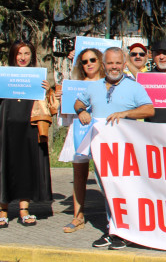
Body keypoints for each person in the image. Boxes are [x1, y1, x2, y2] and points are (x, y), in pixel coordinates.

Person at [72, 47, 154, 250]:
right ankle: (113, 229)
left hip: (126, 148)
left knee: (124, 189)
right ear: (103, 65)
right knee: (106, 189)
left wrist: (125, 113)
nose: (114, 67)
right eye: (110, 63)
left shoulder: (134, 87)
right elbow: (77, 102)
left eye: (118, 63)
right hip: (101, 149)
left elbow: (149, 109)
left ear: (124, 65)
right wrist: (81, 110)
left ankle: (127, 231)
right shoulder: (93, 87)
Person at [0, 41, 54, 229]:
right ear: (13, 55)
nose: (22, 57)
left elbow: (51, 106)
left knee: (26, 165)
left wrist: (48, 91)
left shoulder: (37, 77)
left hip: (30, 127)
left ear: (32, 56)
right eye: (19, 53)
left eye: (27, 53)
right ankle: (2, 210)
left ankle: (24, 209)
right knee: (4, 164)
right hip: (4, 127)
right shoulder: (3, 75)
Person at [58, 47, 106, 233]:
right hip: (79, 129)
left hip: (101, 131)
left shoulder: (107, 83)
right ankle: (78, 216)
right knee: (79, 175)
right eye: (85, 61)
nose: (89, 64)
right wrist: (60, 101)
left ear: (100, 61)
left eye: (92, 60)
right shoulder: (75, 84)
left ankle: (112, 214)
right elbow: (66, 113)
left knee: (104, 174)